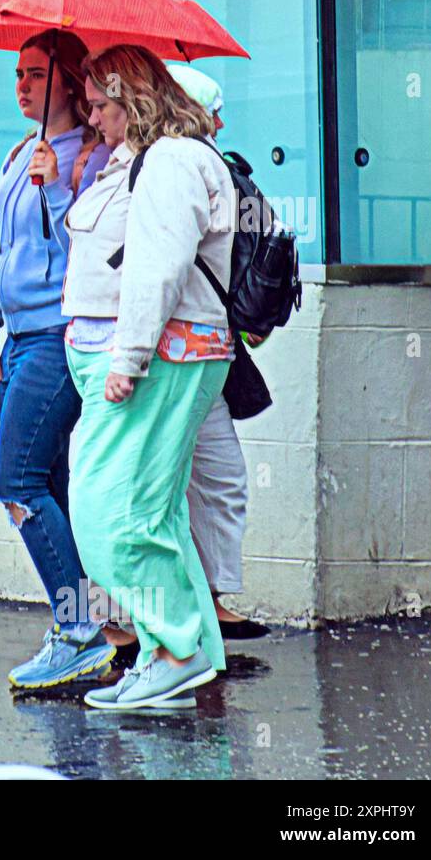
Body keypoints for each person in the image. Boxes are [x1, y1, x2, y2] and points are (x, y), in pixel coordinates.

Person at [61, 44, 236, 710]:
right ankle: (185, 655)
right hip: (162, 354)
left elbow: (155, 271)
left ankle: (175, 648)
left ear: (131, 99)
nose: (93, 116)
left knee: (109, 513)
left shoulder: (170, 161)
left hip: (160, 358)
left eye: (101, 104)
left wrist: (127, 361)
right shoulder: (143, 160)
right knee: (153, 514)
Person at [0, 30, 114, 690]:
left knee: (16, 482)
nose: (22, 85)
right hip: (19, 340)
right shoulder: (15, 154)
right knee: (46, 486)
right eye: (18, 74)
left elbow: (89, 253)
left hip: (58, 338)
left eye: (34, 73)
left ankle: (79, 629)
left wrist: (57, 190)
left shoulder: (90, 157)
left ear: (66, 79)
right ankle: (86, 621)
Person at [166, 63, 270, 640]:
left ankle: (211, 599)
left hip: (209, 350)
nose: (223, 120)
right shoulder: (164, 169)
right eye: (213, 108)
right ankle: (128, 622)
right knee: (159, 488)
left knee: (220, 476)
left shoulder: (217, 170)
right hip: (169, 354)